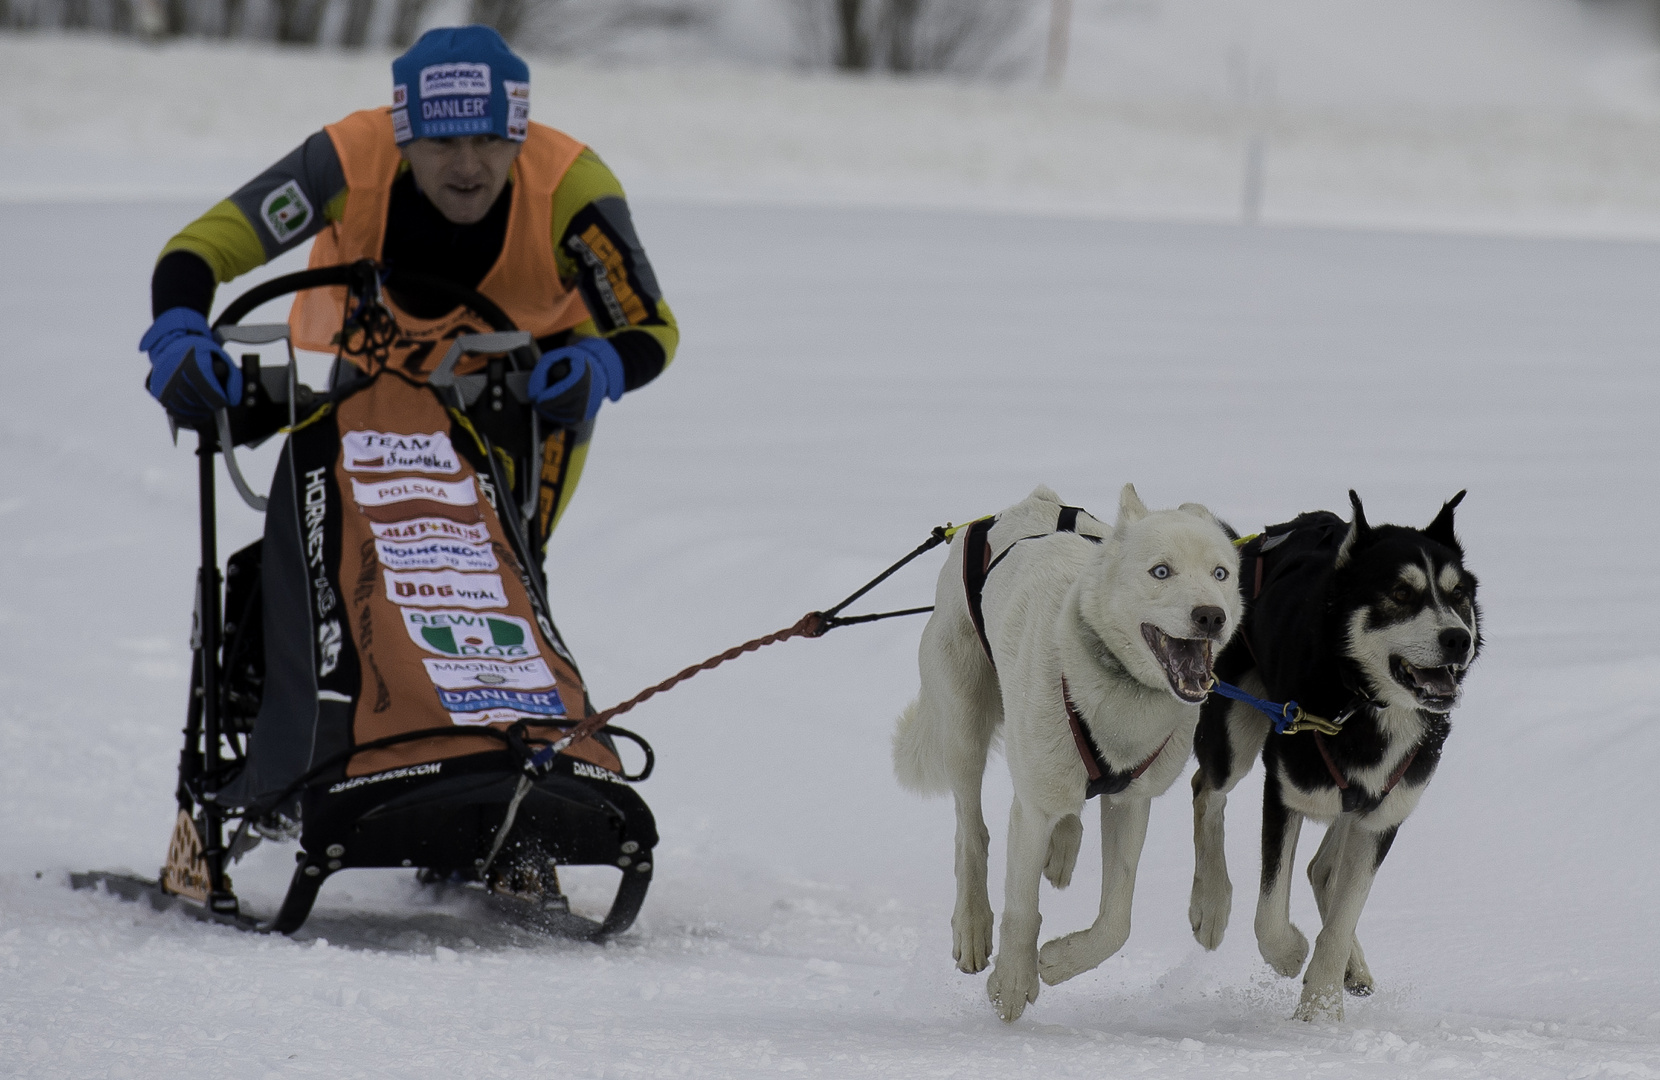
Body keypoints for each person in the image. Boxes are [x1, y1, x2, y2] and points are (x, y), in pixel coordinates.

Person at [138, 25, 678, 542]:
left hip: (534, 381)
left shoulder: (572, 188)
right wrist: (177, 331)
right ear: (404, 139)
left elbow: (652, 327)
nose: (468, 167)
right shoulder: (346, 160)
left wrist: (601, 368)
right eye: (441, 143)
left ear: (519, 137)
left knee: (512, 565)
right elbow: (199, 249)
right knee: (346, 553)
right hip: (380, 360)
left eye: (489, 139)